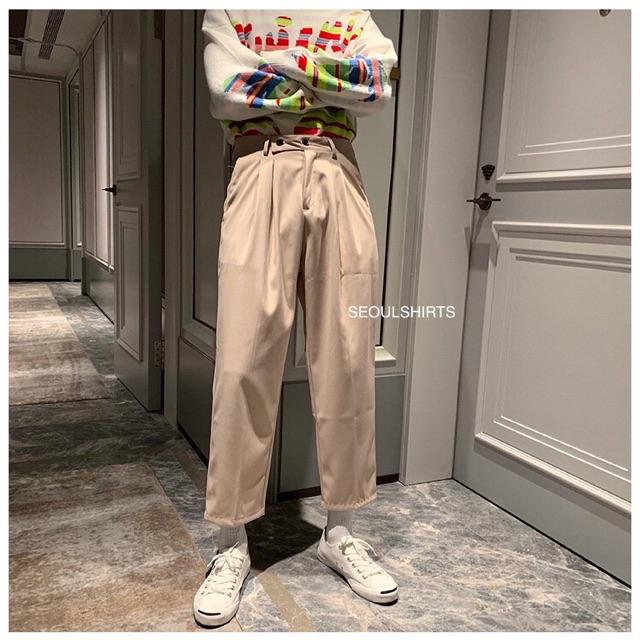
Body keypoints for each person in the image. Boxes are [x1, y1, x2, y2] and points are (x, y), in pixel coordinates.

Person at [194, 10, 399, 627]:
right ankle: (231, 543)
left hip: (338, 172)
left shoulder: (352, 12)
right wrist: (329, 80)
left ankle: (341, 532)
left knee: (348, 356)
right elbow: (226, 89)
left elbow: (377, 85)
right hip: (258, 168)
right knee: (241, 364)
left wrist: (277, 66)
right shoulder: (229, 9)